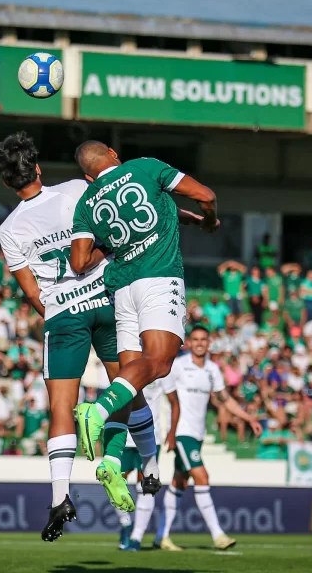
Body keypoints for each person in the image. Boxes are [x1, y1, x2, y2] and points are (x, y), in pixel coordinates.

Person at [0, 132, 148, 541]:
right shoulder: (76, 190)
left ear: (7, 183)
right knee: (126, 386)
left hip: (63, 313)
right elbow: (106, 238)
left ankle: (61, 497)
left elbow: (30, 291)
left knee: (62, 404)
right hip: (106, 300)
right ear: (38, 169)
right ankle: (116, 464)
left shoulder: (10, 229)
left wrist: (62, 308)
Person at [69, 141, 219, 477]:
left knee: (131, 379)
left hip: (122, 290)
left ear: (88, 176)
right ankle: (98, 410)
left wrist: (108, 245)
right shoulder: (145, 166)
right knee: (161, 362)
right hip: (159, 278)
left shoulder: (87, 202)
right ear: (112, 152)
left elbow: (79, 262)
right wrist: (208, 219)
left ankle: (112, 460)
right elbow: (206, 195)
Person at [158, 326, 262, 551]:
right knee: (202, 477)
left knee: (179, 482)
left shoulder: (213, 370)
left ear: (209, 343)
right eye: (195, 339)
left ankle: (162, 536)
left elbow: (226, 400)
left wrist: (248, 418)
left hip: (198, 434)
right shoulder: (178, 366)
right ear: (189, 342)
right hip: (182, 433)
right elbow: (165, 394)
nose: (199, 343)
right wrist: (170, 430)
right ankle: (218, 535)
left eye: (203, 339)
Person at [118, 375, 179, 552]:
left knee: (146, 485)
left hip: (150, 437)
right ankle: (125, 523)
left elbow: (174, 402)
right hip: (123, 436)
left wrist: (172, 432)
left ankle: (136, 537)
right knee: (113, 482)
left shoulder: (162, 368)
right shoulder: (124, 362)